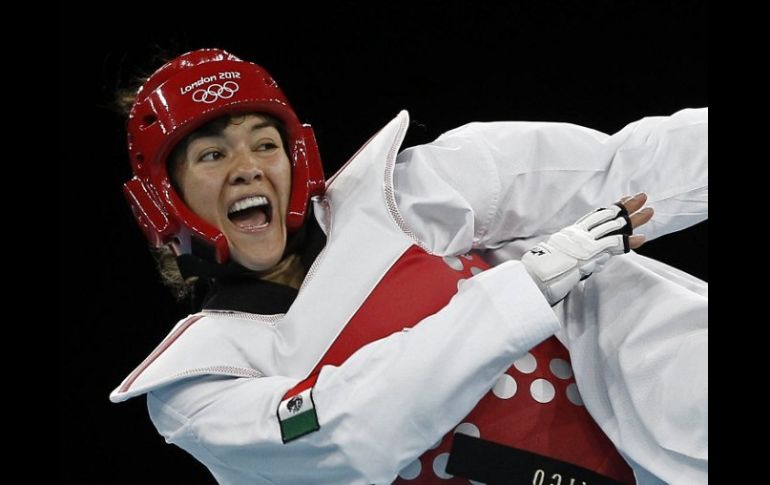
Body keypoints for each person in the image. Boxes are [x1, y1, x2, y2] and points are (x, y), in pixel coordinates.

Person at [110, 49, 707, 484]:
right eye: (213, 154)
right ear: (165, 197)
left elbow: (628, 168)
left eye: (265, 144)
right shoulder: (197, 382)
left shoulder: (411, 194)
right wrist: (521, 290)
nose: (248, 168)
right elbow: (346, 430)